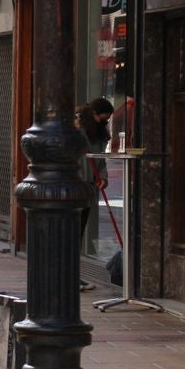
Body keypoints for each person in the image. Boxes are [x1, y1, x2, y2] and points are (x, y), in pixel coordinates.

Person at [77, 97, 115, 292]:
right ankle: (69, 276)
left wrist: (103, 178)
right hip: (75, 187)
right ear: (93, 114)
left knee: (79, 233)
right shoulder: (78, 129)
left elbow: (102, 160)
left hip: (89, 188)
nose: (105, 121)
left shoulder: (101, 134)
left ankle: (73, 275)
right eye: (103, 117)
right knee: (71, 233)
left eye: (108, 118)